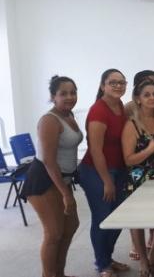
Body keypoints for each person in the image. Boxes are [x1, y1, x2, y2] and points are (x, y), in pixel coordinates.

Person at [20, 76, 83, 277]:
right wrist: (66, 194)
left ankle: (59, 273)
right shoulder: (49, 120)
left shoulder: (69, 115)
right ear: (52, 96)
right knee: (54, 233)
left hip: (62, 179)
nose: (69, 97)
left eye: (73, 92)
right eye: (63, 93)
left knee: (71, 226)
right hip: (43, 180)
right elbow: (48, 161)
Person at [78, 69, 130, 277]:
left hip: (118, 169)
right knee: (102, 217)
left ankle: (107, 258)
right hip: (96, 171)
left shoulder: (119, 106)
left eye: (122, 82)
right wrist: (107, 181)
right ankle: (102, 264)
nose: (118, 86)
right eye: (113, 82)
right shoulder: (98, 110)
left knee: (117, 218)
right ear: (102, 86)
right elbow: (96, 149)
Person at [121, 79, 154, 276]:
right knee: (138, 221)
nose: (152, 98)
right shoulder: (132, 125)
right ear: (138, 99)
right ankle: (143, 261)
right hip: (139, 179)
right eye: (147, 94)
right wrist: (150, 150)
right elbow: (128, 159)